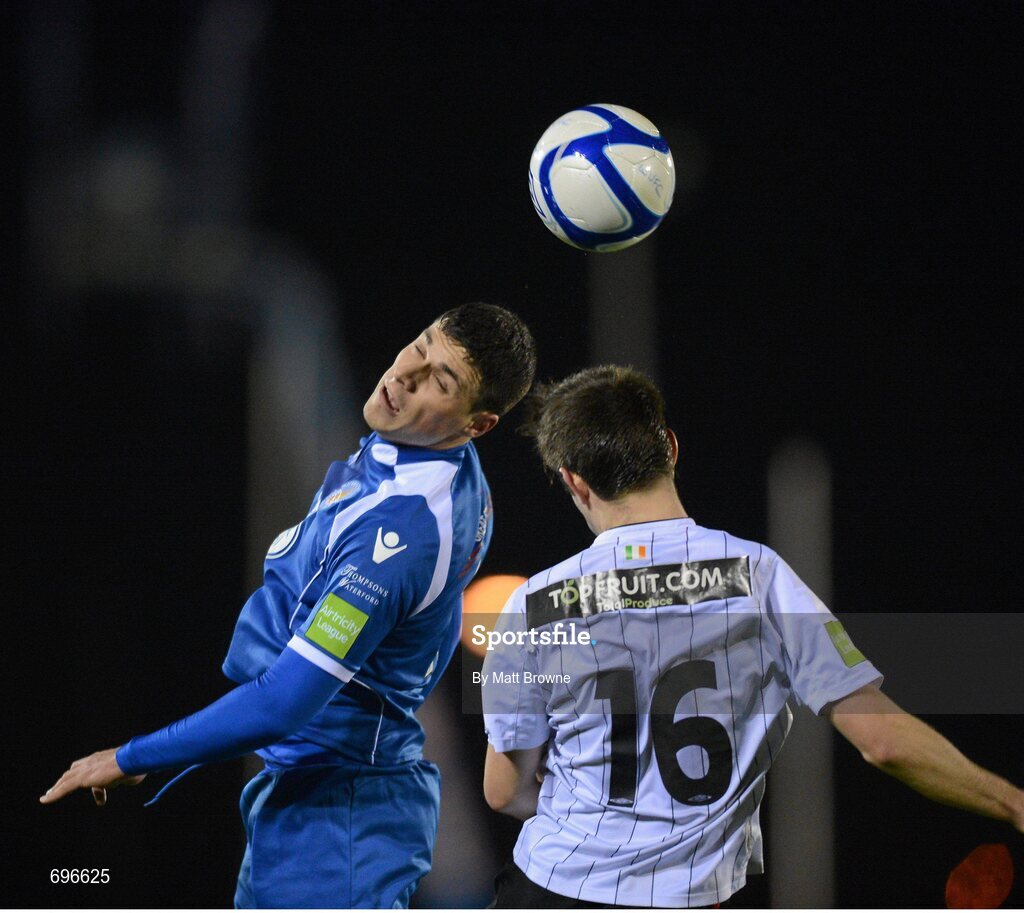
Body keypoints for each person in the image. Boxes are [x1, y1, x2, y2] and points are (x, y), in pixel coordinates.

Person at [41, 302, 537, 909]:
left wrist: (132, 757)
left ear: (477, 424)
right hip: (319, 803)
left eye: (439, 380)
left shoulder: (400, 537)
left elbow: (283, 701)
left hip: (337, 827)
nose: (406, 373)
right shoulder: (432, 457)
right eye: (421, 345)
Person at [481, 365, 1024, 909]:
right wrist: (1012, 802)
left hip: (549, 889)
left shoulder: (532, 605)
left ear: (573, 479)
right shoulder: (759, 577)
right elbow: (882, 742)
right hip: (689, 897)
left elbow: (504, 791)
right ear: (669, 447)